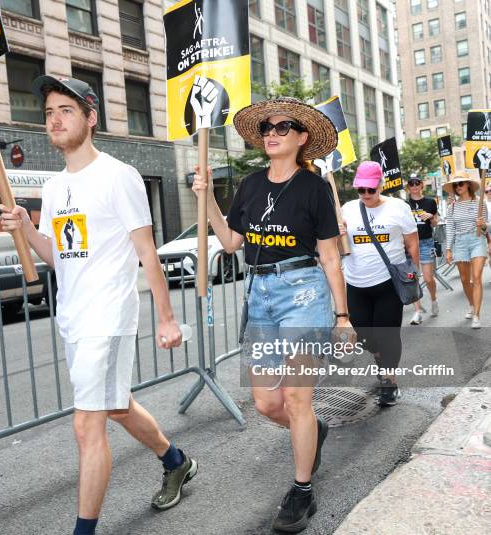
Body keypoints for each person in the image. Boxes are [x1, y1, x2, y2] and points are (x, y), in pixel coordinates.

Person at [0, 76, 197, 535]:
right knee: (115, 405)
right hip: (73, 317)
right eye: (49, 112)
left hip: (107, 317)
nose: (54, 119)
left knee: (87, 426)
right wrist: (26, 228)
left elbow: (147, 251)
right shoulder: (53, 189)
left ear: (91, 118)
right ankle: (176, 460)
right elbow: (56, 256)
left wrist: (166, 318)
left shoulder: (119, 176)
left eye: (66, 110)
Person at [193, 97, 354, 533]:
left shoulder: (314, 187)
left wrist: (342, 317)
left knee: (297, 398)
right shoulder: (248, 185)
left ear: (302, 138)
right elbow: (230, 243)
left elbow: (330, 258)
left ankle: (302, 491)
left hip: (303, 293)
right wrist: (206, 200)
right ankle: (313, 430)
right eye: (267, 126)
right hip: (259, 291)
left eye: (283, 127)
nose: (272, 132)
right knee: (267, 402)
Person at [340, 161, 419, 406]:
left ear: (381, 185)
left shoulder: (399, 208)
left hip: (388, 283)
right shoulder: (347, 209)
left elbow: (412, 243)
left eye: (370, 190)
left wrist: (413, 274)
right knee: (363, 333)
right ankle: (379, 357)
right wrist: (337, 233)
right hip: (355, 283)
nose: (365, 195)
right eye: (360, 190)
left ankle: (389, 380)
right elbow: (335, 248)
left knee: (388, 334)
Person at [443, 174, 488, 329]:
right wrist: (448, 249)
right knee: (464, 279)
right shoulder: (452, 207)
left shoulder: (480, 203)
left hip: (477, 240)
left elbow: (487, 228)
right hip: (460, 243)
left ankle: (476, 314)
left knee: (476, 278)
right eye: (455, 185)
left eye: (460, 183)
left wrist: (483, 225)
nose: (458, 187)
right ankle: (471, 304)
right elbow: (450, 229)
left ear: (468, 184)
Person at [406, 174, 439, 324]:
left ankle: (433, 300)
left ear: (421, 185)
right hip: (408, 244)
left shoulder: (430, 202)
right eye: (411, 184)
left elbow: (435, 224)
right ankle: (418, 311)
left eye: (417, 183)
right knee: (412, 278)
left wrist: (430, 217)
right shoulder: (404, 204)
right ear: (408, 187)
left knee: (428, 278)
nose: (414, 186)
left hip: (426, 242)